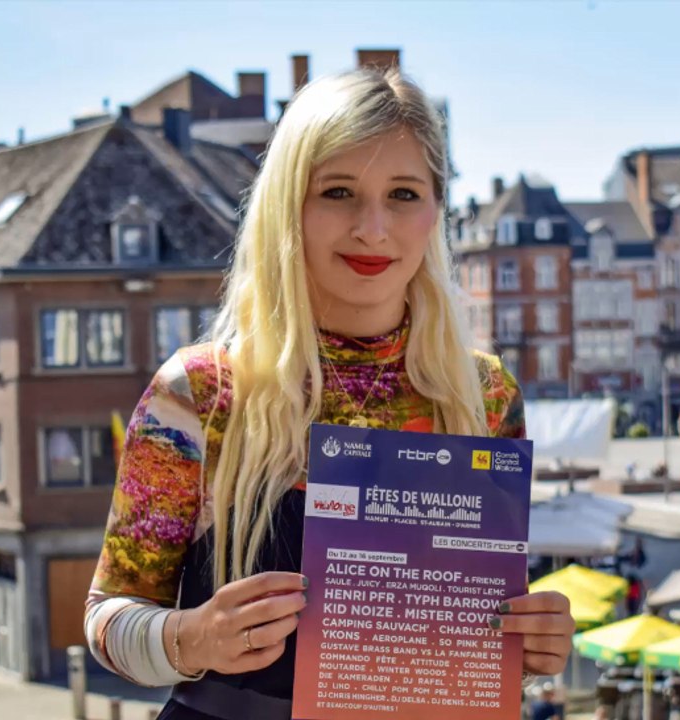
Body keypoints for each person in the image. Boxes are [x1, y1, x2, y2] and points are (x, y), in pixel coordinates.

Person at [83, 69, 575, 720]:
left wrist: (533, 647)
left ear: (435, 212)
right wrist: (187, 637)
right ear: (288, 206)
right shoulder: (200, 392)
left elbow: (461, 656)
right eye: (338, 192)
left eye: (403, 193)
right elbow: (106, 618)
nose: (373, 228)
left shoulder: (483, 395)